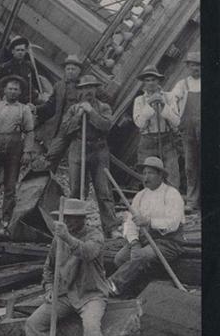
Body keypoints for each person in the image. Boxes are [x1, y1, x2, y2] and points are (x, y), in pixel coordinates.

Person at [25, 198, 109, 336]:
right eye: (66, 217)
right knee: (34, 323)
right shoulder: (59, 238)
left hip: (91, 295)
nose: (68, 221)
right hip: (65, 294)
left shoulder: (95, 236)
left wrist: (67, 238)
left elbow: (87, 253)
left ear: (82, 219)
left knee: (92, 328)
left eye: (72, 218)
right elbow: (48, 268)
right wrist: (48, 288)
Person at [108, 156, 185, 297]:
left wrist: (149, 222)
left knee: (141, 256)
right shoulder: (140, 196)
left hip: (168, 242)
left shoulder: (172, 194)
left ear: (160, 175)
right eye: (144, 173)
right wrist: (134, 242)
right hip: (145, 240)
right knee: (120, 258)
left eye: (150, 173)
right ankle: (135, 290)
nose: (146, 177)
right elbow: (130, 223)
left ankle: (112, 285)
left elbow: (173, 224)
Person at [58, 75, 120, 238]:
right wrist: (78, 116)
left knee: (103, 190)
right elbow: (65, 130)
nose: (88, 91)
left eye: (91, 87)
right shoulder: (73, 109)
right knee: (77, 190)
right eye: (85, 88)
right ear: (80, 91)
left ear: (96, 89)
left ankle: (111, 228)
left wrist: (91, 112)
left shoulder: (103, 107)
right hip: (78, 148)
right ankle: (75, 227)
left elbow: (106, 126)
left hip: (99, 149)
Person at [0, 76, 34, 230]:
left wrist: (27, 152)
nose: (13, 92)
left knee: (10, 183)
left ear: (20, 92)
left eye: (16, 89)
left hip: (14, 148)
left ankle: (6, 216)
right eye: (10, 88)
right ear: (4, 90)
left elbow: (29, 132)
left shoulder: (24, 109)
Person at [133, 65, 181, 189]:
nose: (150, 83)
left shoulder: (169, 97)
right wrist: (149, 104)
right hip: (147, 142)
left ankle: (171, 203)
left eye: (153, 80)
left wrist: (163, 105)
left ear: (158, 80)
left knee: (172, 176)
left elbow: (176, 121)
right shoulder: (139, 100)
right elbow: (139, 123)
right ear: (144, 82)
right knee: (148, 177)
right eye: (147, 80)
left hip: (167, 141)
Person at [35, 54, 83, 169]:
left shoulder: (84, 87)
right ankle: (46, 178)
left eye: (73, 69)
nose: (70, 71)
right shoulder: (59, 85)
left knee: (55, 156)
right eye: (68, 69)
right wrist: (36, 109)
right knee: (52, 156)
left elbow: (103, 98)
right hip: (58, 127)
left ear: (79, 71)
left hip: (74, 129)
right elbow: (50, 105)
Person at [171, 51, 201, 211]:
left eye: (198, 65)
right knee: (190, 166)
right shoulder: (183, 85)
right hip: (188, 130)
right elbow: (172, 100)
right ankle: (192, 201)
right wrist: (176, 119)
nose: (195, 68)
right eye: (192, 65)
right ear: (188, 67)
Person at [0, 36, 37, 104]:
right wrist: (3, 96)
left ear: (25, 51)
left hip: (24, 100)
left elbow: (33, 84)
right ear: (13, 51)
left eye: (22, 50)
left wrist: (33, 95)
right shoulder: (5, 67)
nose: (20, 52)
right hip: (7, 100)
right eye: (18, 50)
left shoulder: (29, 66)